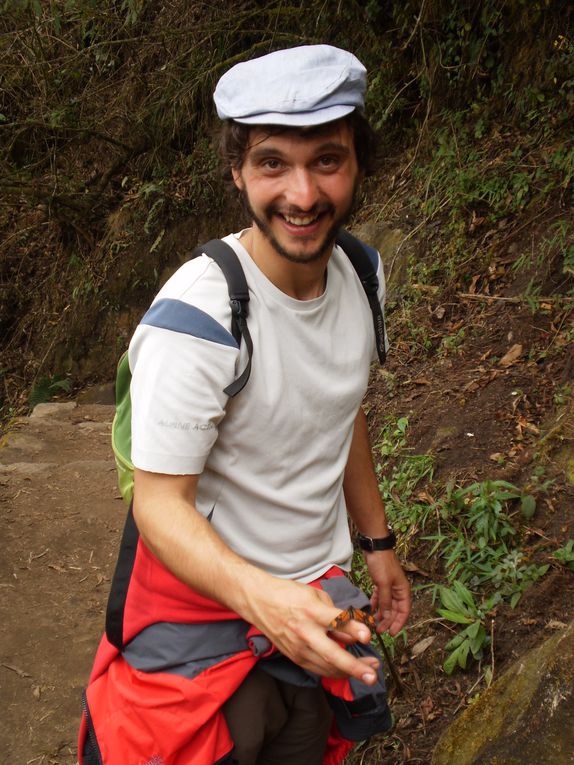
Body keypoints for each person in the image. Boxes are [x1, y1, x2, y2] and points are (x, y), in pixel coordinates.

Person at [79, 44, 411, 765]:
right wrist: (265, 601)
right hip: (204, 617)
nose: (301, 193)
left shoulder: (360, 271)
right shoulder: (200, 316)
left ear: (358, 162)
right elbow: (159, 504)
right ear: (237, 171)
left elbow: (341, 405)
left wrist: (377, 542)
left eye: (326, 159)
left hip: (314, 602)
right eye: (272, 163)